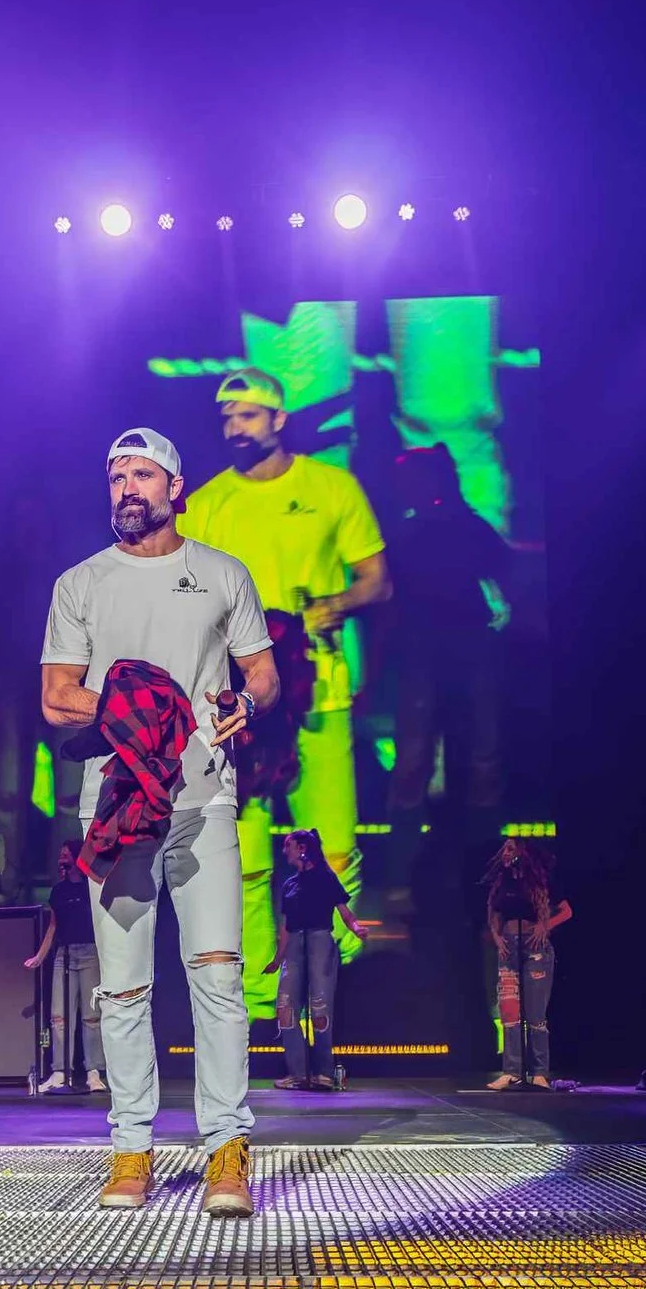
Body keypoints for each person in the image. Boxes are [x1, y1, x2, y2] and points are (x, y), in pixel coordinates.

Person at [42, 426, 279, 1216]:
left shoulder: (222, 574)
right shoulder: (81, 582)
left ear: (175, 487)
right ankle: (131, 1151)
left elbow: (263, 674)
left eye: (143, 475)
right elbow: (56, 696)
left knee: (218, 974)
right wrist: (138, 708)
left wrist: (245, 704)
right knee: (122, 988)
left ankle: (227, 1151)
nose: (128, 488)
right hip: (115, 805)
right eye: (117, 476)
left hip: (203, 801)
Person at [177, 369, 390, 1010]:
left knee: (333, 841)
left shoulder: (331, 487)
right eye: (227, 418)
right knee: (244, 850)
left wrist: (332, 606)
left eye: (247, 414)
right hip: (240, 705)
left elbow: (376, 579)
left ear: (278, 419)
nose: (235, 427)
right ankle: (258, 990)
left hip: (318, 690)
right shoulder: (208, 504)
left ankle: (334, 977)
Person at [381, 443, 511, 873]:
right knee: (420, 755)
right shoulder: (408, 534)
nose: (406, 486)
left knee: (475, 752)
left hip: (465, 654)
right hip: (426, 656)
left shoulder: (464, 528)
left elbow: (505, 577)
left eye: (413, 478)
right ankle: (412, 863)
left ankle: (475, 859)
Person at [270, 829, 356, 1091]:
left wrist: (356, 928)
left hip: (319, 942)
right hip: (294, 946)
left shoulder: (325, 878)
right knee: (285, 1008)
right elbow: (286, 926)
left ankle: (324, 1073)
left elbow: (344, 911)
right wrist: (278, 958)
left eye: (289, 845)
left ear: (302, 848)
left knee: (320, 1009)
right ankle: (297, 1072)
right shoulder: (289, 885)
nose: (285, 851)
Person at [483, 839, 572, 1090]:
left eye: (511, 849)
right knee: (510, 1013)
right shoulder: (502, 882)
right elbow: (493, 914)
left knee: (535, 1014)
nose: (505, 853)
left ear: (523, 853)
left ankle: (539, 1072)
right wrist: (497, 936)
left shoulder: (541, 882)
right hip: (509, 949)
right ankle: (511, 1071)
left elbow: (566, 911)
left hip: (535, 950)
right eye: (504, 849)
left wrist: (545, 926)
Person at [23, 842, 105, 1095]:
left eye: (66, 855)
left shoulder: (92, 887)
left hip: (90, 953)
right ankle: (60, 1072)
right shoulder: (58, 891)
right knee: (59, 1017)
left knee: (91, 1017)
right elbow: (53, 926)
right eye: (60, 856)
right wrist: (40, 956)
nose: (61, 859)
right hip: (64, 955)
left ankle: (93, 1073)